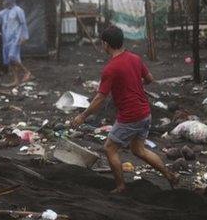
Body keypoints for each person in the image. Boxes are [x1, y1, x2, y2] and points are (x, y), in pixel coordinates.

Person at [71, 25, 178, 193]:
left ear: (106, 44)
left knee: (109, 148)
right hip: (145, 113)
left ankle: (121, 186)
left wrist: (82, 116)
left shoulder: (111, 68)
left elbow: (100, 97)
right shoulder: (135, 58)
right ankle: (170, 175)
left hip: (131, 116)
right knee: (139, 150)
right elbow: (150, 79)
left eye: (102, 43)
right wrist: (134, 85)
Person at [0, 0, 31, 86]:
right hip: (6, 40)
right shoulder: (5, 12)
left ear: (9, 1)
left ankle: (27, 72)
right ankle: (16, 80)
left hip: (15, 38)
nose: (3, 2)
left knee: (13, 56)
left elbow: (23, 24)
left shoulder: (18, 10)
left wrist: (24, 37)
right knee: (10, 60)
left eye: (4, 1)